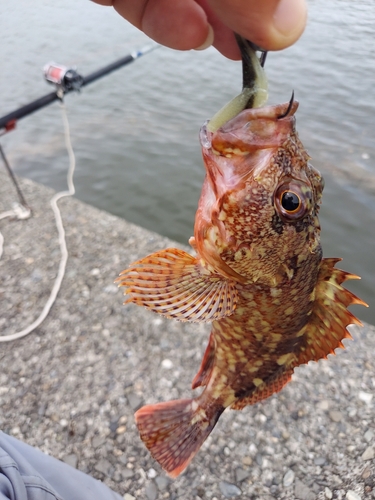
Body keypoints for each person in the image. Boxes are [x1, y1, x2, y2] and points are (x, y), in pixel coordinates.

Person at [0, 1, 307, 498]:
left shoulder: (238, 271)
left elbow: (170, 285)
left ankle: (202, 408)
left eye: (288, 202)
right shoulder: (247, 262)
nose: (284, 194)